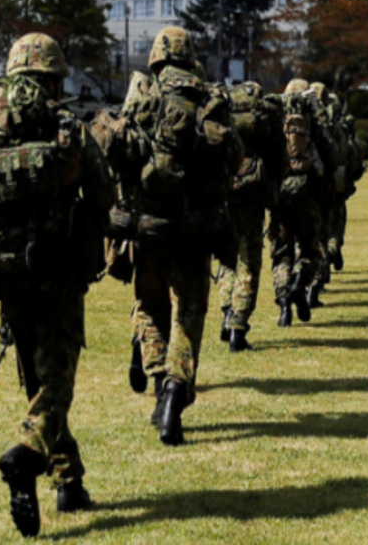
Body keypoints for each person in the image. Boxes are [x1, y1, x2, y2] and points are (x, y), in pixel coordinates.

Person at [0, 33, 115, 537]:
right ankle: (26, 456)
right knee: (58, 378)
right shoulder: (60, 121)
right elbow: (101, 191)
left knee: (35, 371)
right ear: (50, 77)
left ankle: (67, 483)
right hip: (52, 267)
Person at [101, 26, 241, 446]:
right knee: (189, 312)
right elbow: (234, 157)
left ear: (157, 58)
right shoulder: (211, 96)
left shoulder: (142, 91)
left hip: (147, 226)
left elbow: (119, 152)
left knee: (149, 307)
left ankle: (160, 381)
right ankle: (176, 391)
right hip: (196, 228)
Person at [218, 81, 284, 352]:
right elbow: (279, 158)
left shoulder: (224, 111)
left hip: (224, 192)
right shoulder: (265, 118)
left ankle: (225, 310)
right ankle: (238, 327)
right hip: (253, 196)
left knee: (227, 256)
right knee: (249, 259)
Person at [269, 79, 325, 325]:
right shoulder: (313, 120)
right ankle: (300, 284)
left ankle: (283, 308)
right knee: (310, 250)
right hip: (307, 194)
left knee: (281, 255)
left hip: (281, 195)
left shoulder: (275, 118)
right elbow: (330, 152)